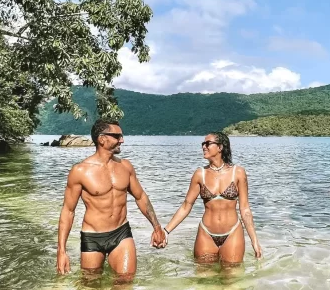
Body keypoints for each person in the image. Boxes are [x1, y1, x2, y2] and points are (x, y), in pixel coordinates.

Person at [56, 119, 166, 281]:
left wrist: (157, 227)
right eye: (117, 136)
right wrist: (62, 251)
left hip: (121, 233)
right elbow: (68, 211)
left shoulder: (125, 167)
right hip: (92, 237)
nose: (122, 140)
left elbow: (140, 197)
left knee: (125, 281)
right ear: (102, 139)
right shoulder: (80, 171)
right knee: (91, 289)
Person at [162, 131, 262, 263]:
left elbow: (245, 209)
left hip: (233, 232)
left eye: (208, 143)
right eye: (203, 144)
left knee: (232, 280)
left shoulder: (238, 172)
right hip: (206, 233)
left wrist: (254, 241)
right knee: (203, 279)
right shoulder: (200, 174)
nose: (204, 146)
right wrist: (166, 231)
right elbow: (186, 206)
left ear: (220, 147)